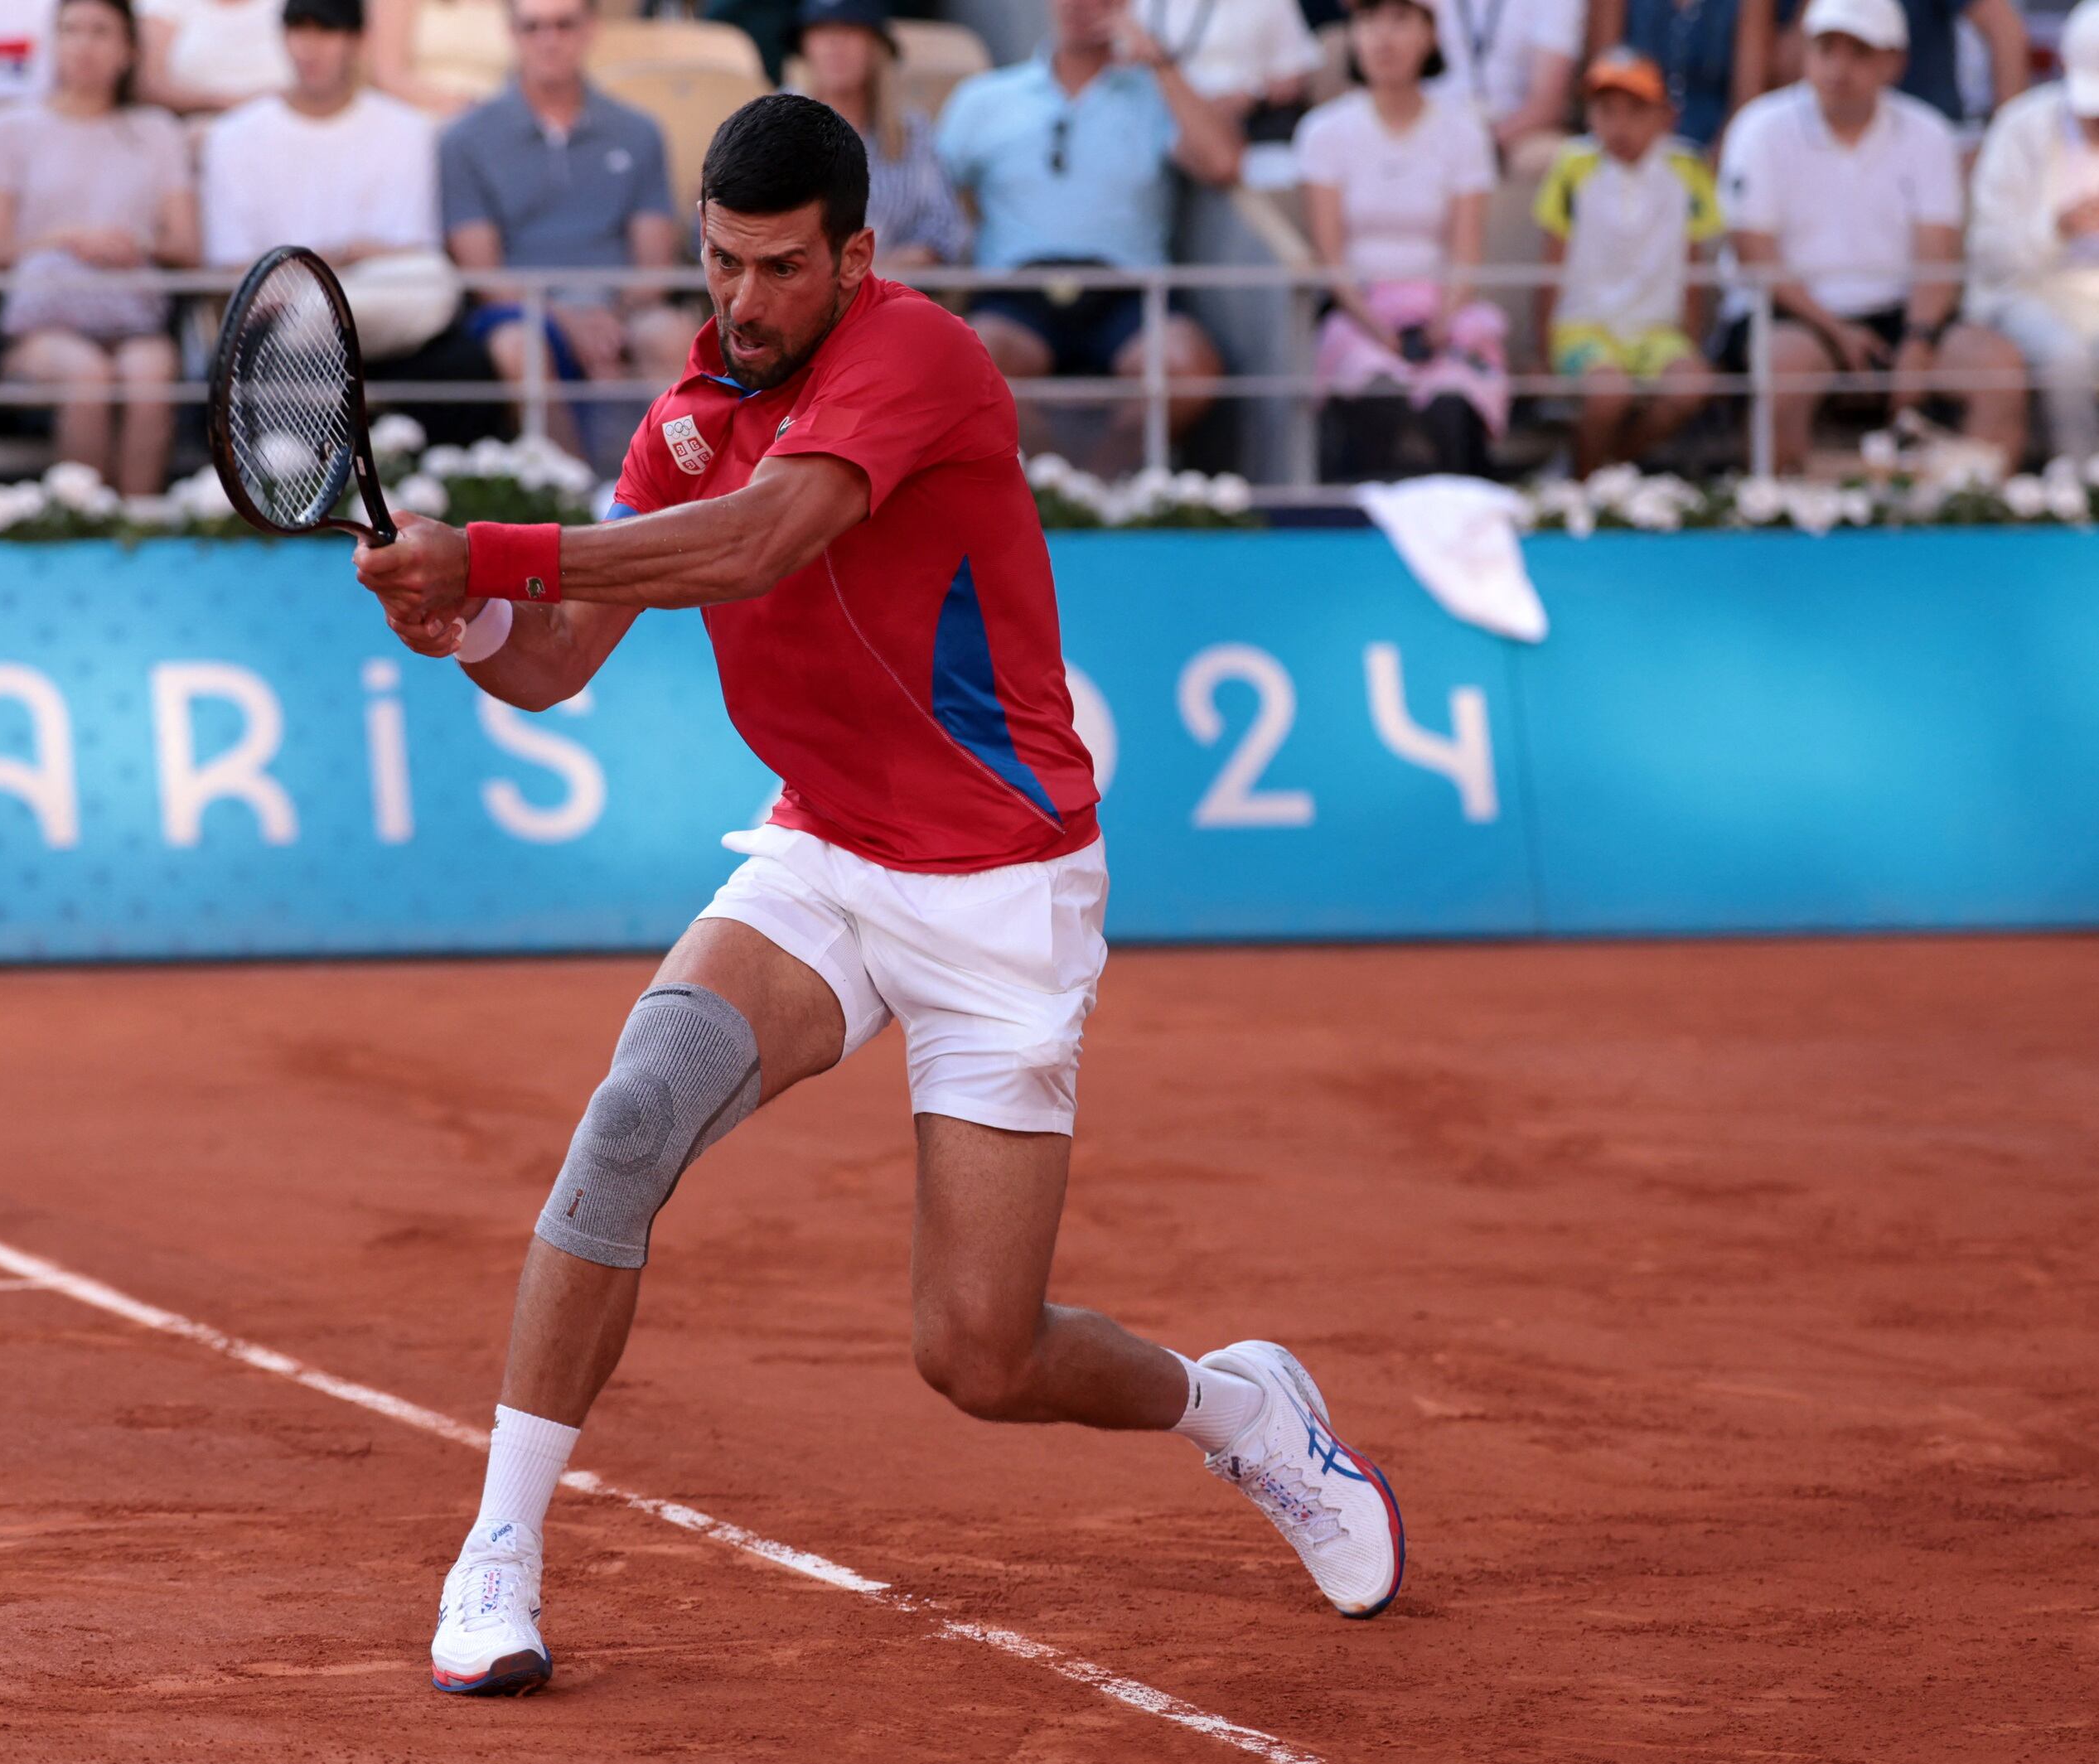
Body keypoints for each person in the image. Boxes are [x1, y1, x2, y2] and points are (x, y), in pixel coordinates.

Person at [351, 94, 1406, 1699]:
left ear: (857, 255)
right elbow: (558, 665)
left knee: (980, 1351)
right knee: (631, 1116)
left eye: (780, 270)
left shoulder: (921, 360)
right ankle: (495, 1552)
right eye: (719, 265)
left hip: (1001, 887)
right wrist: (473, 627)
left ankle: (1243, 1410)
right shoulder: (692, 405)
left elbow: (767, 543)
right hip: (824, 854)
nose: (743, 302)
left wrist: (487, 548)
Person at [1716, 0, 2025, 473]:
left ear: (1894, 62)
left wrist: (1917, 342)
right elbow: (1755, 255)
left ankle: (1972, 517)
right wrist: (1837, 331)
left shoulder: (1928, 133)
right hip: (1796, 316)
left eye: (1858, 51)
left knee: (1998, 370)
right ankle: (1785, 526)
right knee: (1785, 368)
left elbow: (1936, 253)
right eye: (1826, 48)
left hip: (1902, 318)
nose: (1839, 67)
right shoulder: (1759, 129)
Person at [936, 0, 1238, 457]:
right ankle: (1049, 493)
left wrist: (1159, 61)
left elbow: (1223, 162)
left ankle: (1097, 487)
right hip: (1016, 295)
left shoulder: (1156, 92)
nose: (1080, 5)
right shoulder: (984, 98)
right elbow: (933, 196)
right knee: (968, 366)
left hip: (1129, 294)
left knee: (1188, 369)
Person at [438, 0, 689, 447]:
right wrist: (570, 324)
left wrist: (609, 321)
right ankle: (573, 500)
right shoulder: (464, 139)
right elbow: (486, 277)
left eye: (564, 25)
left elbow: (654, 264)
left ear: (591, 28)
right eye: (533, 27)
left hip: (622, 308)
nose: (549, 40)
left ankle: (673, 500)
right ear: (511, 33)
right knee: (519, 348)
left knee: (672, 335)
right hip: (522, 310)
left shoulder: (639, 130)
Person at [0, 0, 198, 497]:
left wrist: (133, 244)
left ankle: (139, 529)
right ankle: (87, 524)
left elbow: (186, 245)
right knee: (86, 374)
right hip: (41, 329)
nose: (84, 44)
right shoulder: (9, 128)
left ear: (127, 51)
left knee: (149, 374)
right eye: (71, 30)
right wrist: (66, 240)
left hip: (134, 319)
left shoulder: (157, 131)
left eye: (101, 31)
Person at [1295, 0, 1507, 477]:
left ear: (1430, 34)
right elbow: (1330, 256)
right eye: (1369, 21)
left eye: (1399, 20)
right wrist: (1376, 327)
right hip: (1359, 315)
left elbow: (1466, 252)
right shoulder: (1323, 132)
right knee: (1379, 403)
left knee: (1452, 406)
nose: (1383, 38)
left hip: (1443, 315)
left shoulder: (1463, 133)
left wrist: (1442, 323)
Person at [1536, 47, 1720, 471]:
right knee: (1608, 392)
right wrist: (1544, 352)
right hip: (1582, 330)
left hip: (1657, 332)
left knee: (1691, 386)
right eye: (1606, 110)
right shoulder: (1571, 166)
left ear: (1664, 116)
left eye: (1635, 110)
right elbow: (1550, 267)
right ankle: (1582, 486)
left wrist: (1691, 342)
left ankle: (1607, 470)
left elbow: (1693, 273)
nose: (1619, 125)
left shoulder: (1688, 169)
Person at [201, 0, 438, 273]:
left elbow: (414, 254)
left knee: (429, 278)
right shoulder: (232, 136)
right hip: (277, 304)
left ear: (358, 41)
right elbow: (230, 267)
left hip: (381, 299)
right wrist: (344, 257)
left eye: (327, 30)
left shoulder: (408, 130)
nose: (309, 48)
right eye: (299, 29)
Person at [1967, 0, 2099, 462]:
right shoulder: (2019, 128)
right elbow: (1991, 257)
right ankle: (2082, 489)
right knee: (2066, 360)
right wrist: (2058, 228)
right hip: (2026, 292)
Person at [792, 0, 969, 272]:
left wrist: (872, 271)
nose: (835, 44)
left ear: (875, 47)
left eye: (851, 30)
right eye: (822, 31)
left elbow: (946, 228)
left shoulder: (910, 131)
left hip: (891, 292)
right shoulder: (776, 125)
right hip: (795, 294)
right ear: (805, 45)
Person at [1772, 0, 2027, 126]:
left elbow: (2004, 30)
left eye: (1860, 50)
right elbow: (1794, 56)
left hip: (1934, 135)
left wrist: (2002, 139)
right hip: (1829, 137)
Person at [1584, 0, 1771, 152]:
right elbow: (1601, 76)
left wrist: (1706, 169)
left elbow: (1746, 103)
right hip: (1627, 145)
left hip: (1710, 152)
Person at [1430, 0, 1584, 169]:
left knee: (1548, 155)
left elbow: (1548, 104)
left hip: (1510, 125)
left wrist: (1481, 145)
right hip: (1435, 119)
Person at [1140, 0, 1323, 123]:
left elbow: (1298, 73)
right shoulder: (1142, 6)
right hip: (1161, 127)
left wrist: (1253, 96)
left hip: (1255, 126)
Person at [135, 0, 293, 112]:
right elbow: (148, 85)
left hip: (285, 130)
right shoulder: (162, 6)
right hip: (191, 136)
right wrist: (223, 103)